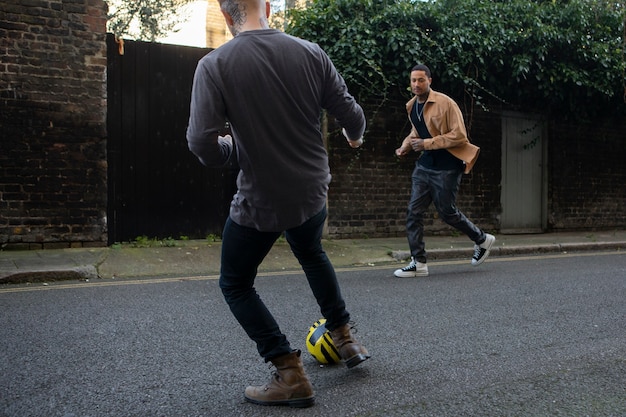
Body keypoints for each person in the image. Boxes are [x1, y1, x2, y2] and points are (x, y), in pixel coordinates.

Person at [186, 0, 370, 408]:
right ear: (268, 5)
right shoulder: (310, 52)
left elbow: (200, 142)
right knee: (310, 249)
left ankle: (290, 373)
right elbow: (352, 115)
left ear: (224, 10)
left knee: (234, 283)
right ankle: (345, 338)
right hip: (312, 191)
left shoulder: (215, 65)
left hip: (263, 199)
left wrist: (231, 150)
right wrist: (354, 136)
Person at [394, 64, 495, 278]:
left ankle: (482, 239)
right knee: (413, 212)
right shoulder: (412, 106)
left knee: (447, 212)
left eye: (421, 80)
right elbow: (415, 132)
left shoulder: (445, 103)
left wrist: (427, 143)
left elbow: (459, 135)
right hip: (424, 166)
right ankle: (419, 262)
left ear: (430, 80)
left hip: (447, 167)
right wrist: (405, 146)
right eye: (413, 80)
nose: (416, 84)